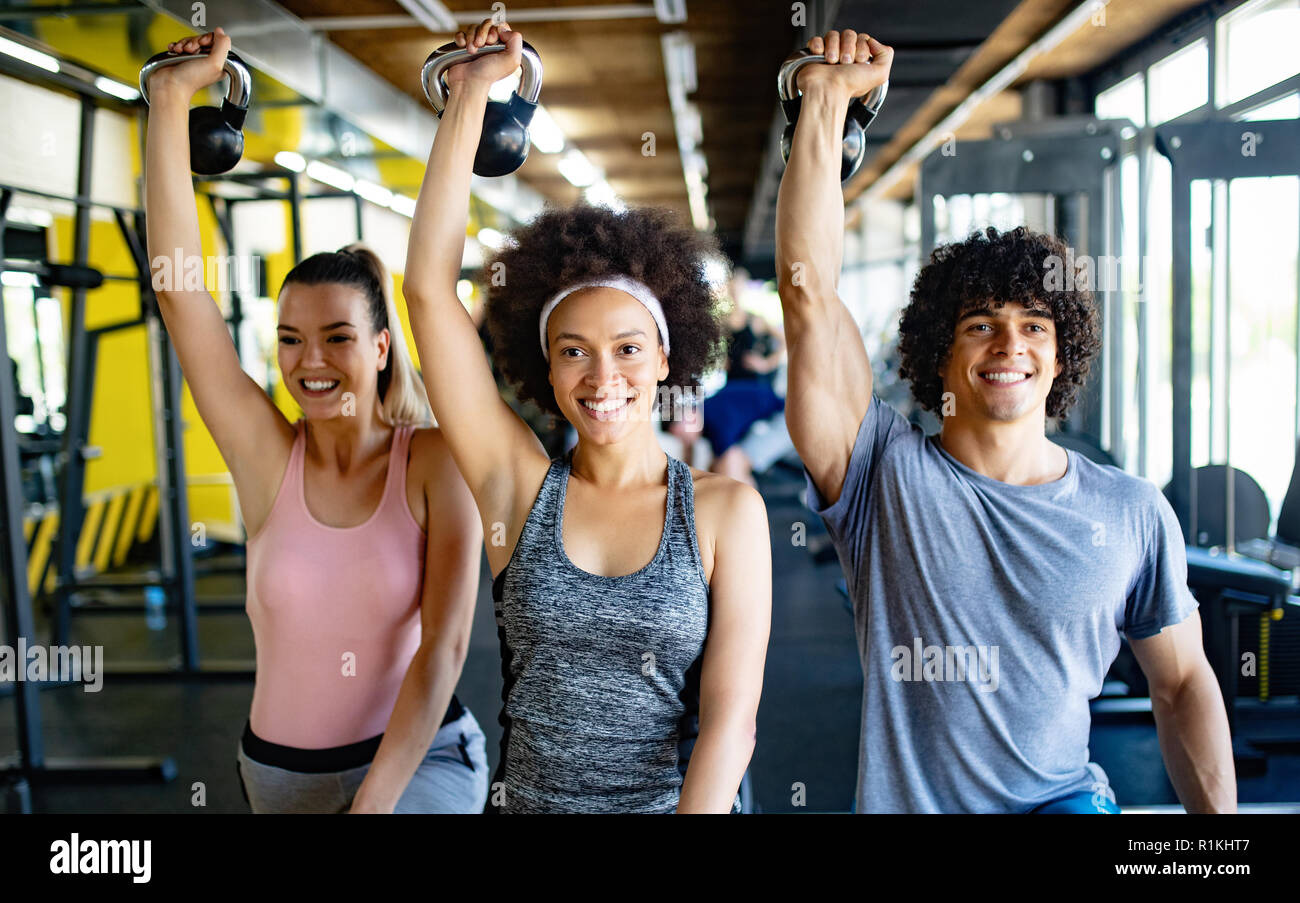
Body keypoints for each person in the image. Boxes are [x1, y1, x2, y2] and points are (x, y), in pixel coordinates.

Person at [776, 27, 1236, 813]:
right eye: (980, 324)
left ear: (1061, 357)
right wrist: (822, 100)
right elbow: (808, 293)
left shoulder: (1129, 511)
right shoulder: (882, 473)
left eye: (1034, 326)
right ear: (940, 354)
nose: (1009, 344)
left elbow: (1183, 678)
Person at [403, 19, 771, 814]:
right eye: (574, 351)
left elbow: (731, 723)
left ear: (668, 357)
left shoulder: (724, 511)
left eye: (629, 349)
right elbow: (428, 293)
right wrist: (468, 97)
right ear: (547, 366)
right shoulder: (517, 489)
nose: (603, 375)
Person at [143, 28, 488, 814]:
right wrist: (167, 101)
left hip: (416, 763)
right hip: (277, 775)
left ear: (381, 346)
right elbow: (180, 295)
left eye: (337, 337)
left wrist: (374, 803)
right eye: (291, 340)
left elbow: (446, 647)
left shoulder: (433, 461)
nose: (312, 361)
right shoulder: (268, 457)